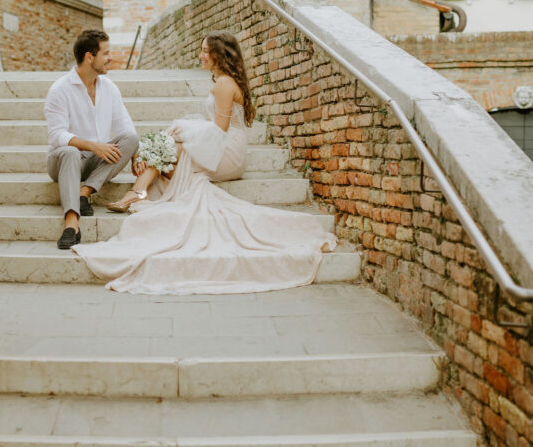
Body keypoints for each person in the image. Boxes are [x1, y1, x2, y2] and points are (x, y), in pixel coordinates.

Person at [73, 31, 338, 294]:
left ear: (217, 55)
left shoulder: (224, 85)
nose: (200, 55)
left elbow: (218, 130)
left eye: (204, 50)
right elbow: (213, 128)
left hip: (228, 152)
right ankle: (138, 191)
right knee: (167, 145)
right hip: (223, 145)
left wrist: (185, 134)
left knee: (167, 145)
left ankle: (137, 192)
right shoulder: (225, 80)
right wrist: (182, 132)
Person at [45, 30, 138, 250]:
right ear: (89, 57)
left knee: (131, 139)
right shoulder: (59, 89)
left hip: (96, 161)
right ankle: (71, 222)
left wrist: (136, 156)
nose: (110, 58)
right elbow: (57, 135)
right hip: (64, 161)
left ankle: (85, 193)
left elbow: (125, 126)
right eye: (105, 53)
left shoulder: (110, 88)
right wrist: (93, 145)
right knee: (69, 151)